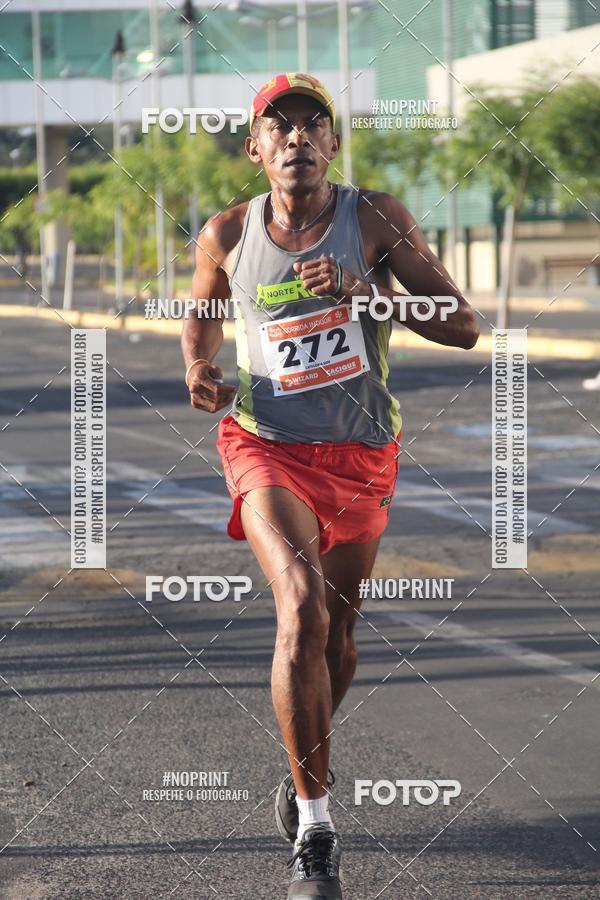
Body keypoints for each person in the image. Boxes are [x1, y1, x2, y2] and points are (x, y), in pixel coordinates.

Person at [181, 72, 479, 899]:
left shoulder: (375, 219)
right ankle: (316, 829)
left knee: (338, 639)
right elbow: (201, 313)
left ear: (333, 144)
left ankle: (300, 770)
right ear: (256, 149)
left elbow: (462, 325)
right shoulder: (227, 232)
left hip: (360, 454)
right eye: (280, 128)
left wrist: (368, 294)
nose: (297, 139)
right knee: (303, 608)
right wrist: (199, 368)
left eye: (313, 125)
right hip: (266, 445)